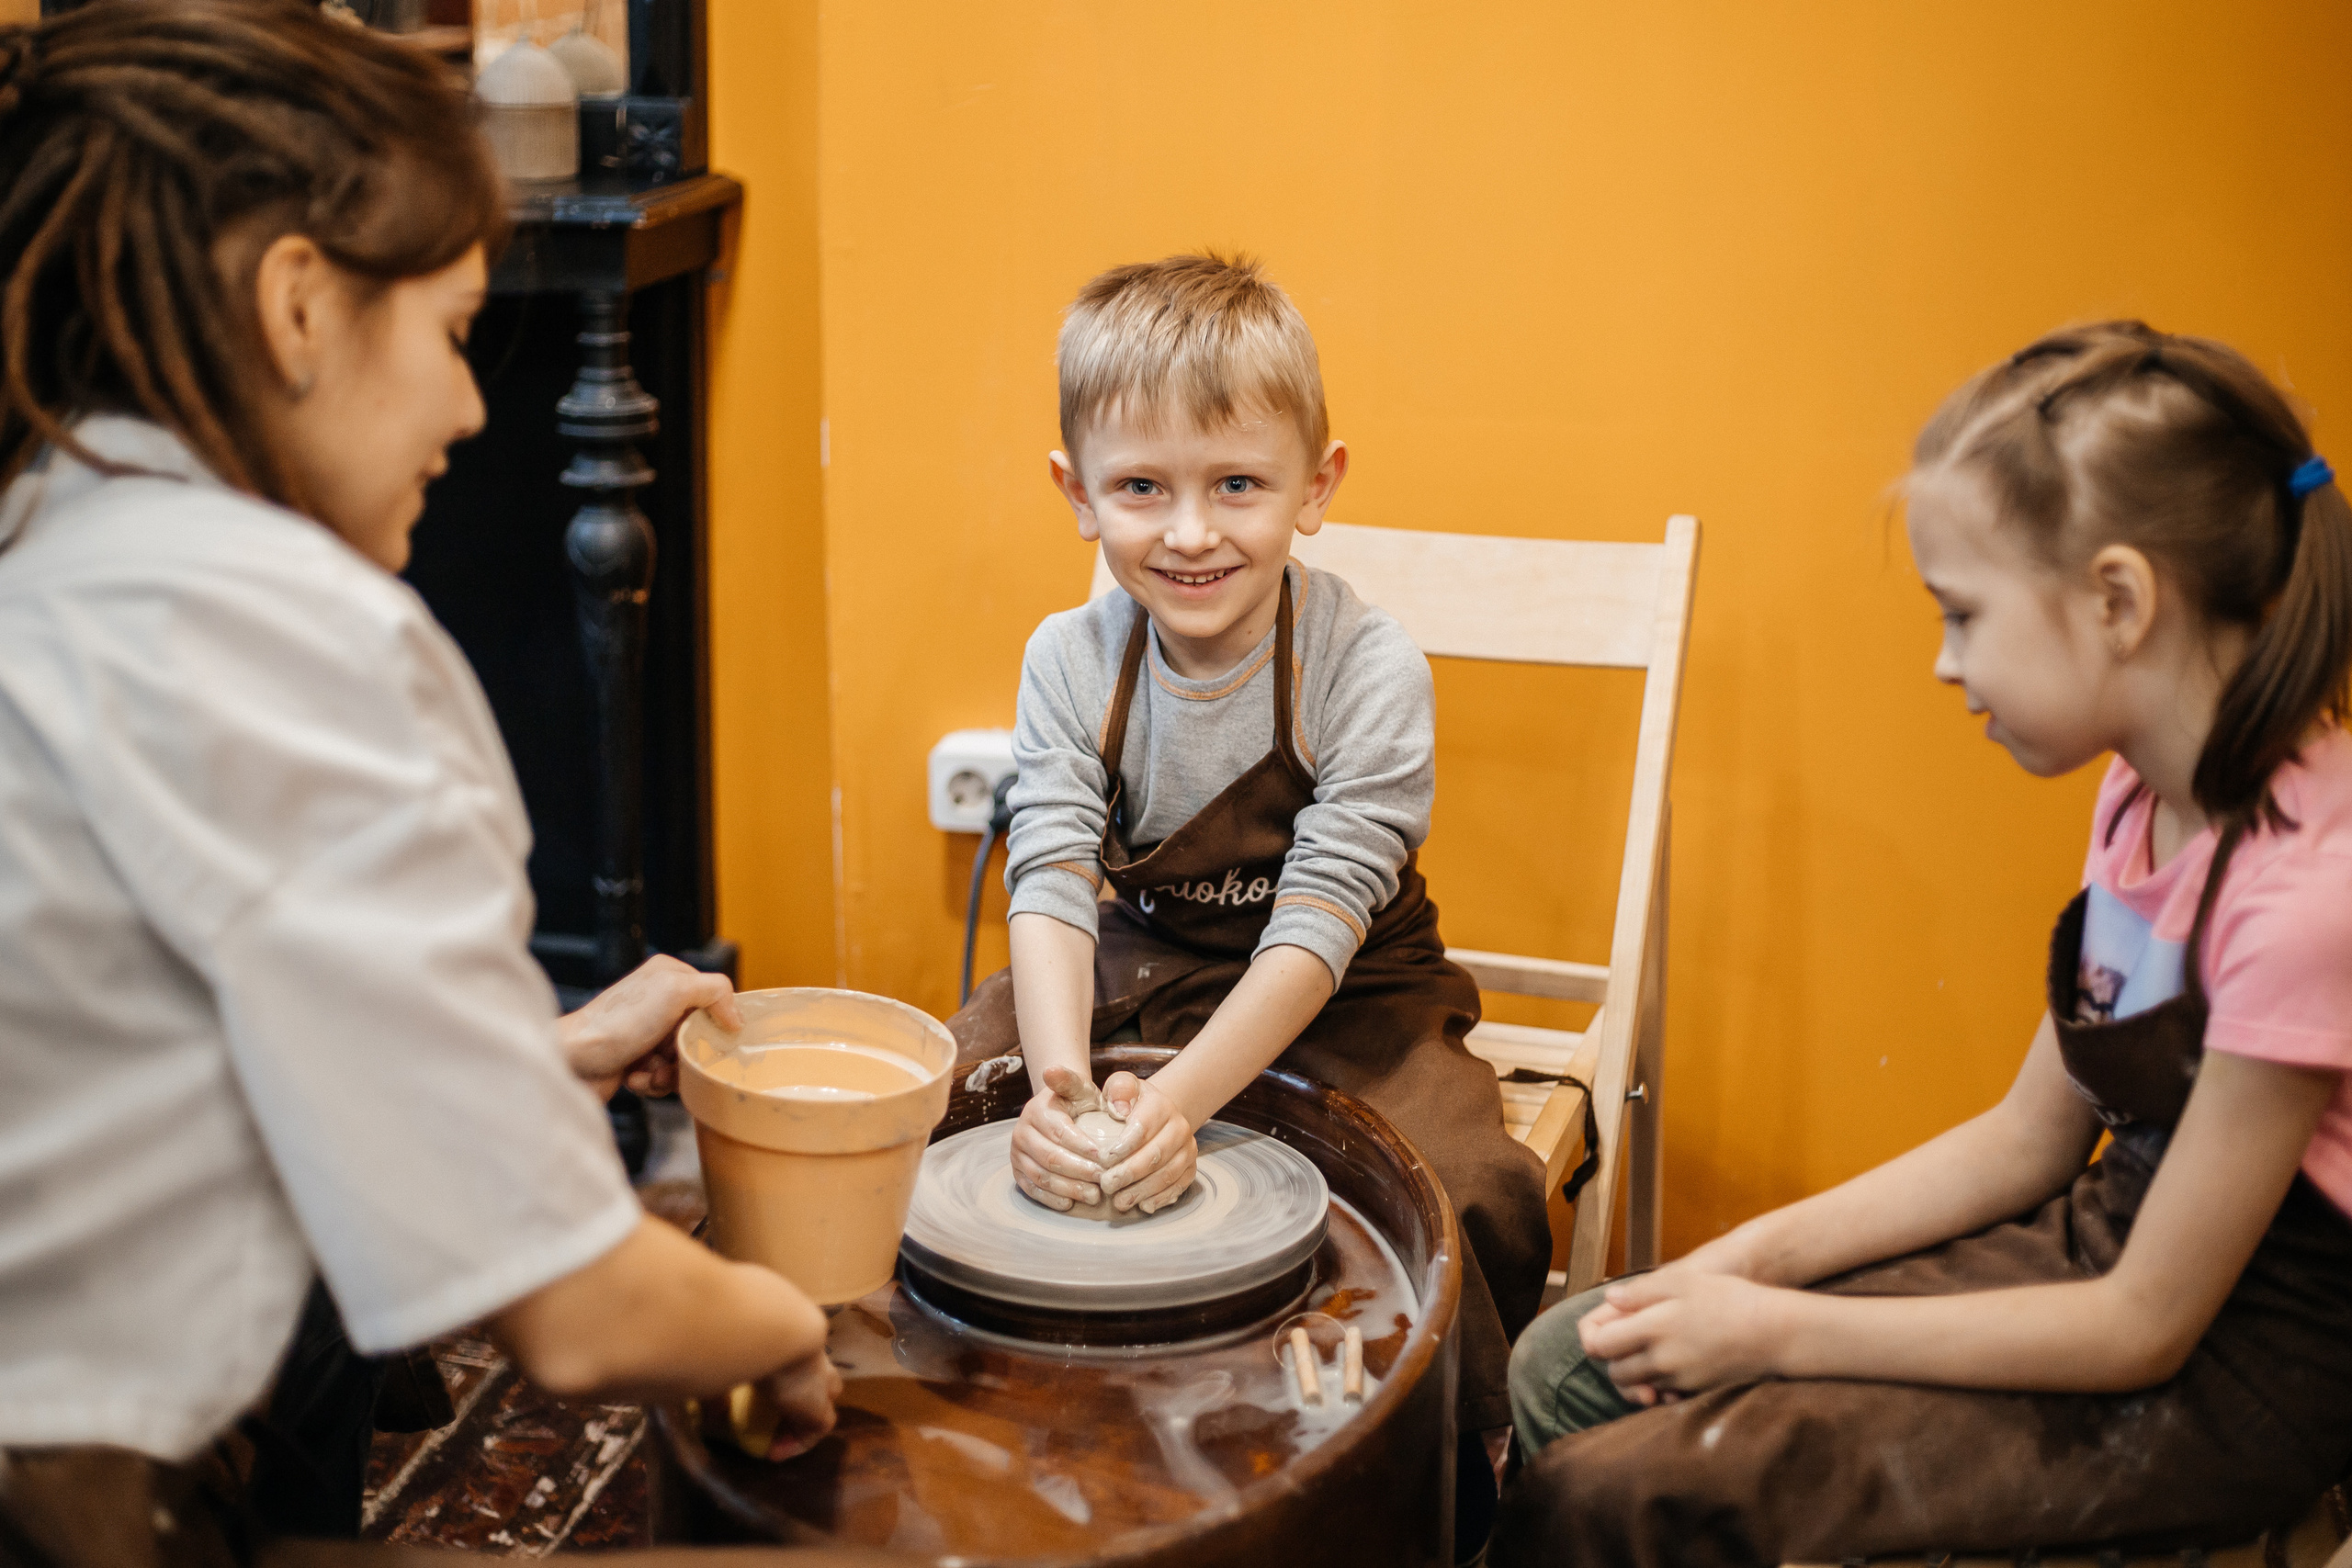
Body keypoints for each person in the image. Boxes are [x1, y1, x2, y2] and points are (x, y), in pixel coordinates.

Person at [0, 5, 836, 1561]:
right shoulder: (298, 636)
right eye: (455, 335)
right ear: (298, 306)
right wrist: (778, 1320)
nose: (469, 409)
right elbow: (578, 1316)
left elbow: (187, 1019)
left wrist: (551, 1047)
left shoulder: (47, 524)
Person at [1492, 321, 2352, 1568]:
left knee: (1611, 1501)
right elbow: (2030, 1138)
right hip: (2102, 1251)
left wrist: (1772, 1330)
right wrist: (1740, 1265)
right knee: (1571, 1359)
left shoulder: (2308, 897)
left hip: (2231, 1367)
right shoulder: (2137, 793)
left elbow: (2144, 1328)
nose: (1947, 665)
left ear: (2118, 599)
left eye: (1963, 613)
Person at [946, 252, 1552, 1552]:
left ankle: (1443, 1479)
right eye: (1141, 488)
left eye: (1237, 484)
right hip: (1140, 956)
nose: (1189, 532)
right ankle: (1032, 1433)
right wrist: (1062, 1088)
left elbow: (1323, 913)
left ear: (1317, 485)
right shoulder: (1071, 657)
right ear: (1077, 493)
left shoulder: (1365, 665)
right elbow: (1052, 871)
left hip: (1346, 982)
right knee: (955, 1092)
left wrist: (1172, 1105)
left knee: (1468, 1184)